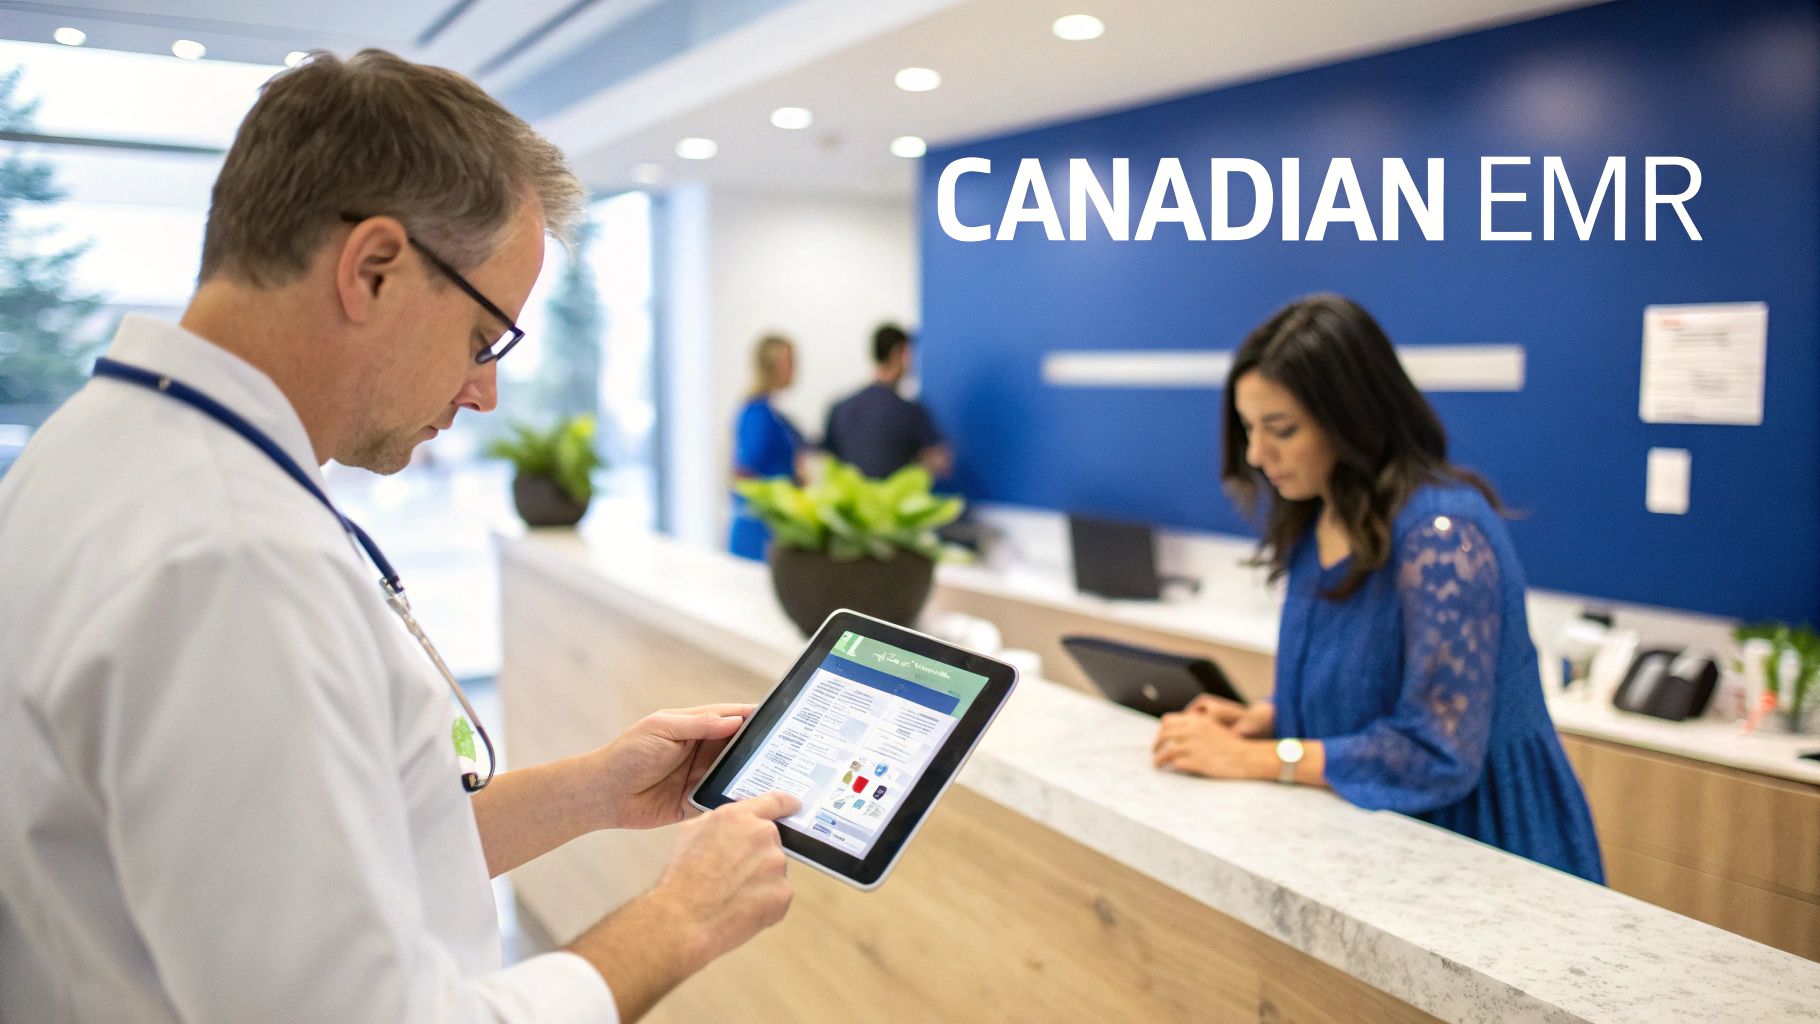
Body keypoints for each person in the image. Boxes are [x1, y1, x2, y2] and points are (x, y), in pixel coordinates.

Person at [0, 50, 799, 1023]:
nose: (483, 391)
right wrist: (681, 919)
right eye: (483, 339)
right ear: (372, 268)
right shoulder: (230, 557)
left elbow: (311, 866)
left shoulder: (111, 447)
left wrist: (591, 789)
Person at [1151, 294, 1603, 883]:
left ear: (1351, 418)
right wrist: (1269, 718)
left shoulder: (1443, 536)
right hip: (1372, 839)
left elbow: (1437, 751)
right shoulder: (1318, 518)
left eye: (1281, 430)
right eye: (1248, 429)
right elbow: (1369, 692)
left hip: (1480, 852)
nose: (1258, 455)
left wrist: (1257, 758)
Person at [822, 323, 951, 479]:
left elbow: (823, 460)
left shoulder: (840, 408)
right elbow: (940, 462)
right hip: (894, 502)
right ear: (899, 353)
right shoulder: (909, 411)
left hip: (850, 502)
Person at [728, 333, 805, 561]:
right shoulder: (757, 413)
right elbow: (744, 473)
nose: (794, 367)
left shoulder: (772, 413)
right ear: (771, 365)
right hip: (759, 531)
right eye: (788, 361)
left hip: (773, 524)